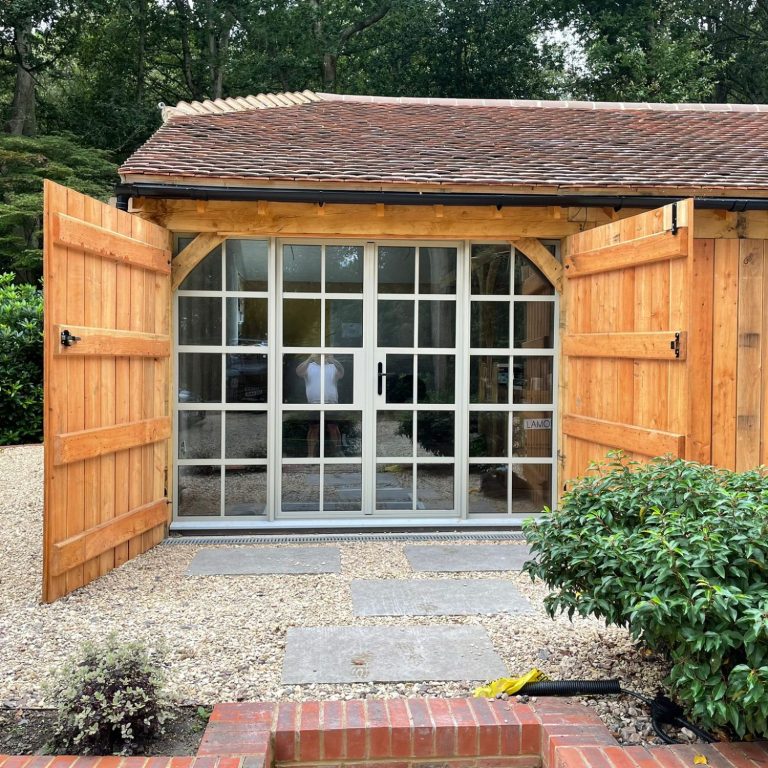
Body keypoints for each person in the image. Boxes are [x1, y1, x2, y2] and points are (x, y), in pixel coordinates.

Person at [296, 354, 344, 455]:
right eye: (319, 354)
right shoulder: (309, 366)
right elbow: (298, 372)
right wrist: (309, 359)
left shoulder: (333, 366)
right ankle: (310, 456)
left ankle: (337, 454)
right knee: (313, 429)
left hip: (332, 403)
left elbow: (341, 373)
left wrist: (333, 360)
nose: (322, 356)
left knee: (333, 428)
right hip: (314, 403)